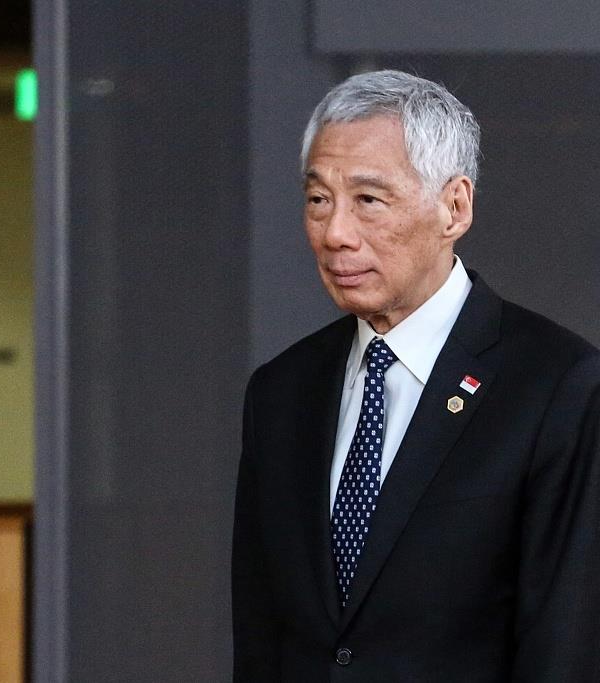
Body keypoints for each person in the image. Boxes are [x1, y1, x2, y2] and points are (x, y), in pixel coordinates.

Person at [232, 69, 600, 681]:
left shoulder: (559, 387)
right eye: (319, 200)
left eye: (368, 201)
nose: (335, 234)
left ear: (454, 207)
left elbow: (566, 645)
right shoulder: (280, 392)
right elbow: (261, 637)